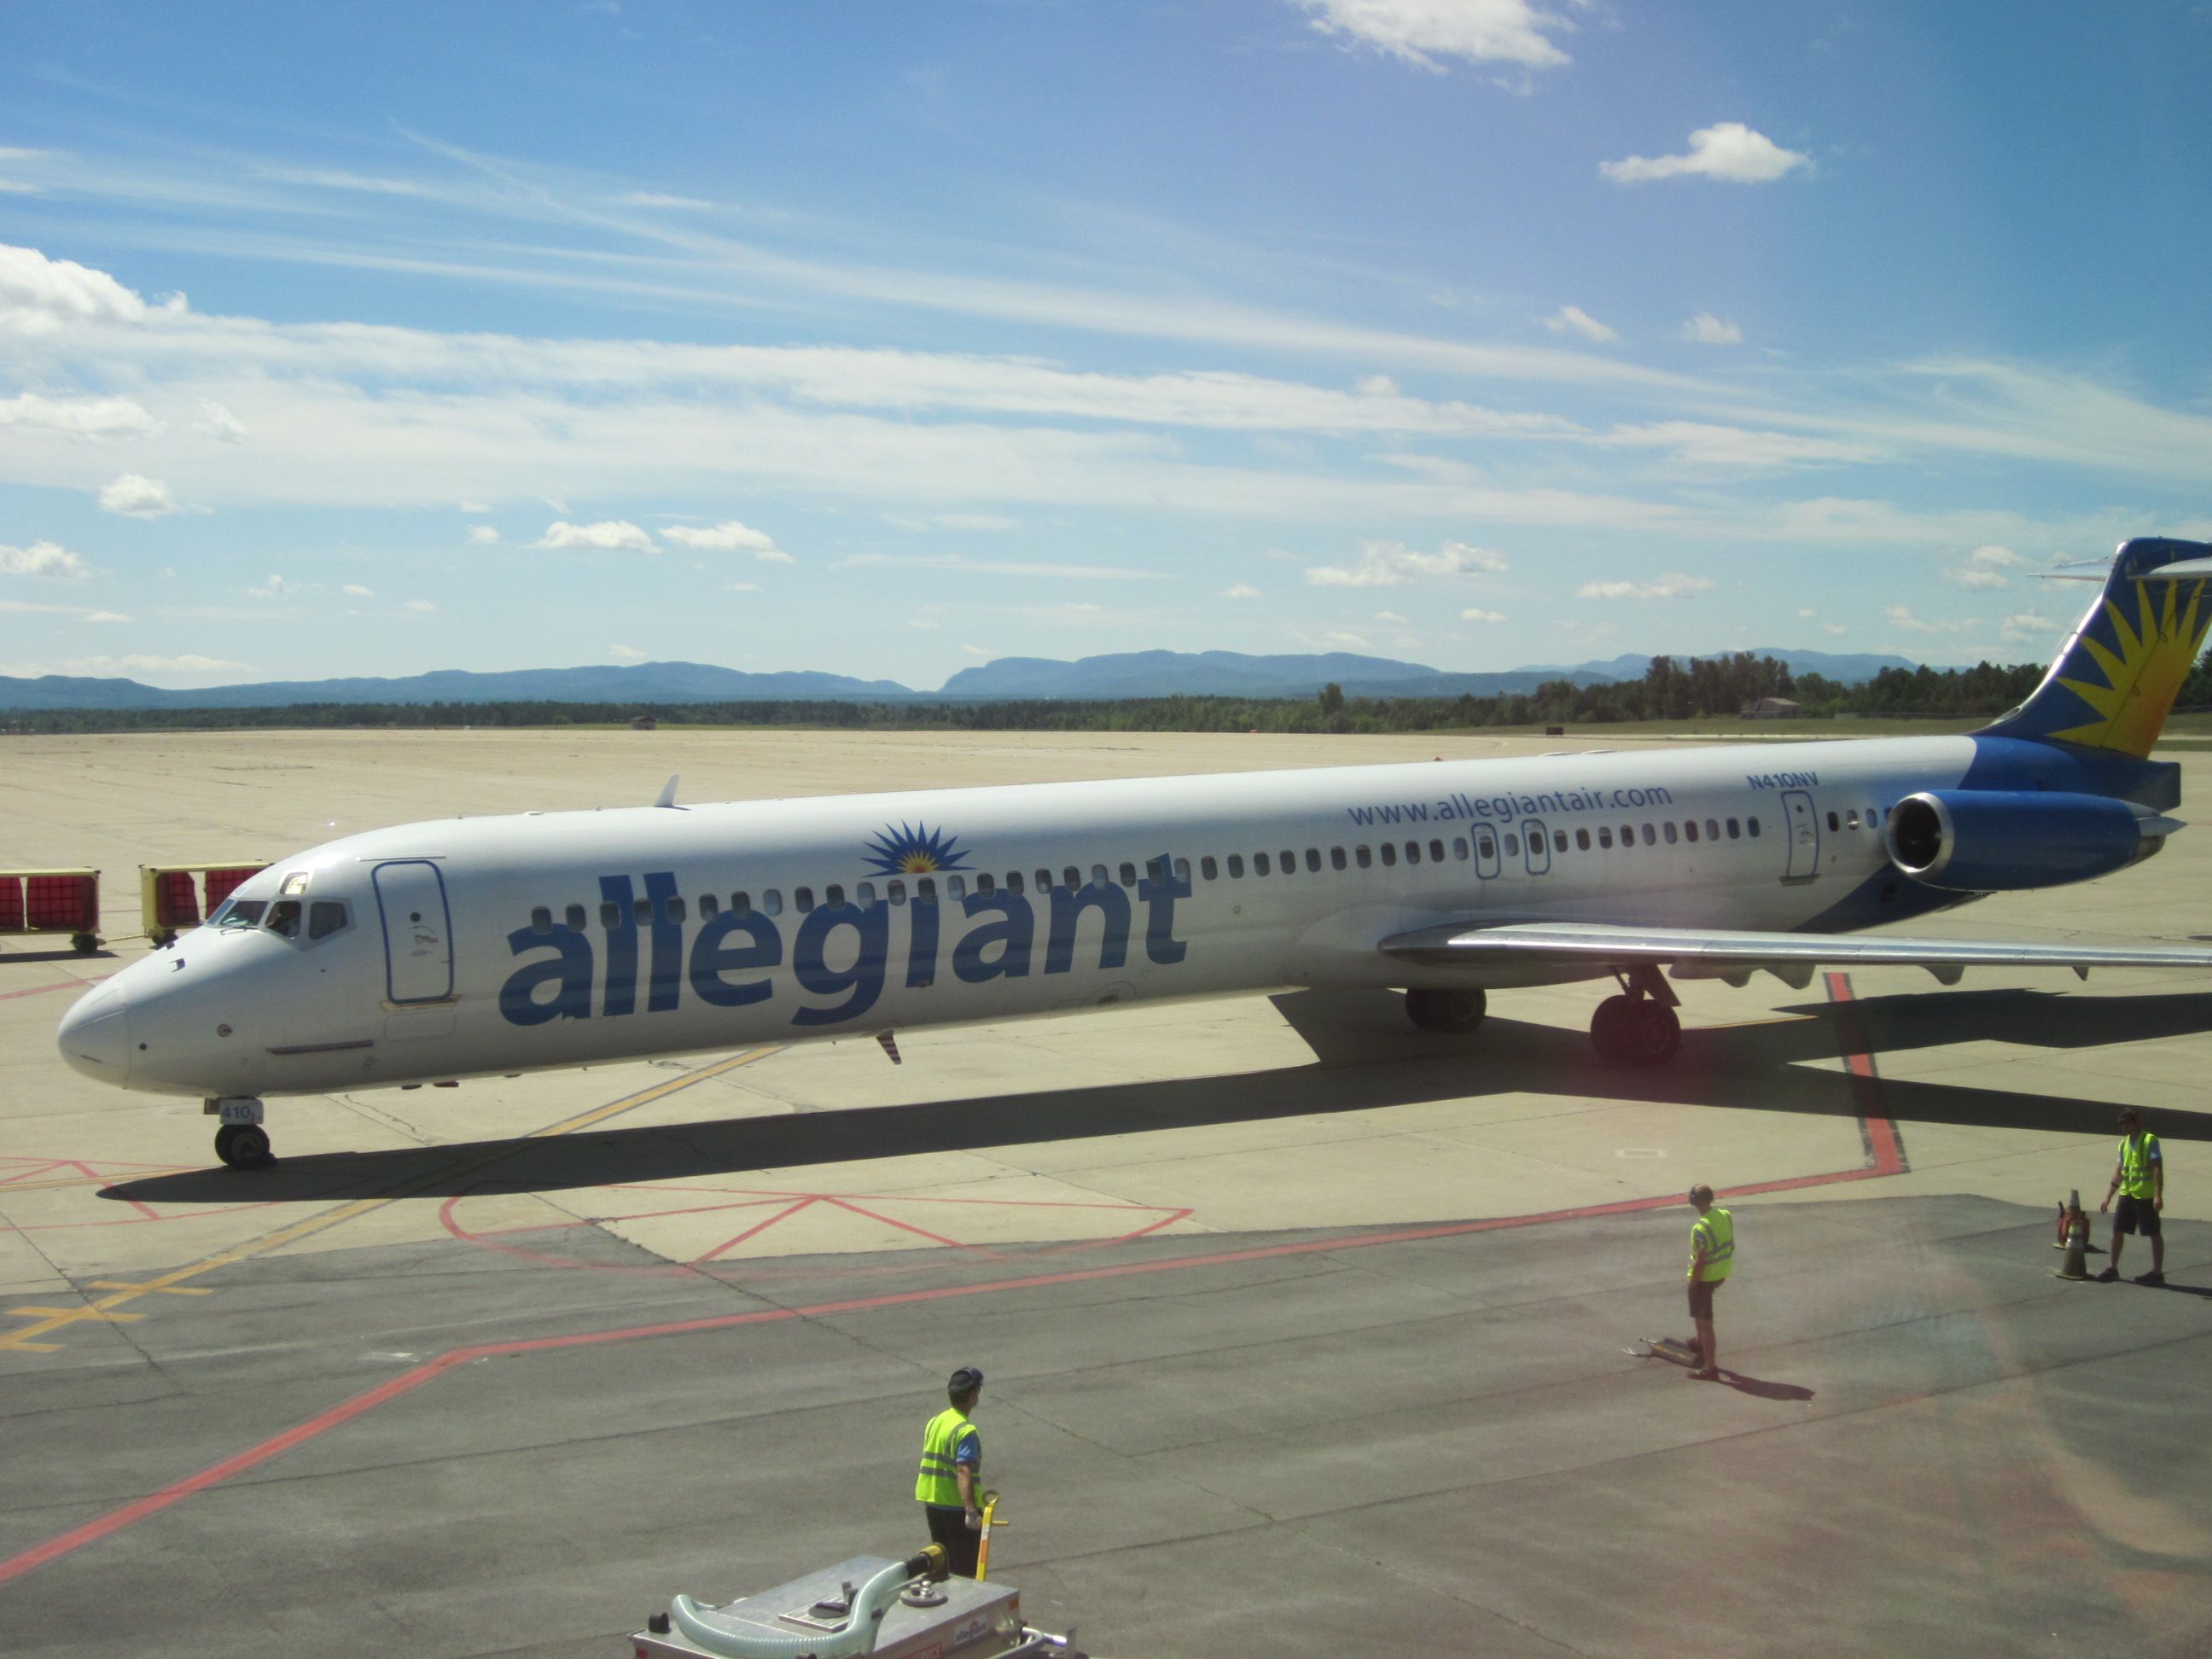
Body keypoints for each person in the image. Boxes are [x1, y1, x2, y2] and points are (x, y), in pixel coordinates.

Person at [916, 1365, 987, 1576]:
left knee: (941, 1564)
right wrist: (971, 1511)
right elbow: (963, 1471)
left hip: (933, 1504)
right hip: (957, 1509)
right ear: (972, 1394)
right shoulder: (966, 1431)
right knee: (964, 1571)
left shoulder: (936, 1422)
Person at [2097, 1109, 2164, 1285]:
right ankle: (2113, 1268)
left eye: (2127, 1122)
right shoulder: (2123, 1144)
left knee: (2153, 1233)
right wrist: (2108, 1197)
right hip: (2127, 1194)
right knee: (2117, 1230)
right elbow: (2119, 1173)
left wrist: (2158, 1195)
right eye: (2122, 1124)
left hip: (2145, 1195)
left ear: (2136, 1122)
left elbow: (2157, 1169)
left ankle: (2157, 1273)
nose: (2124, 1127)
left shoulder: (2150, 1141)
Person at [1685, 1184, 1734, 1380]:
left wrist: (1693, 1282)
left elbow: (1700, 1261)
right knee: (1700, 1313)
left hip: (1705, 1278)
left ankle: (1710, 1368)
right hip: (1722, 1272)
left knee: (1706, 1323)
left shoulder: (1700, 1228)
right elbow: (1732, 1244)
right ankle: (1699, 1342)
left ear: (1695, 1201)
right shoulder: (1725, 1215)